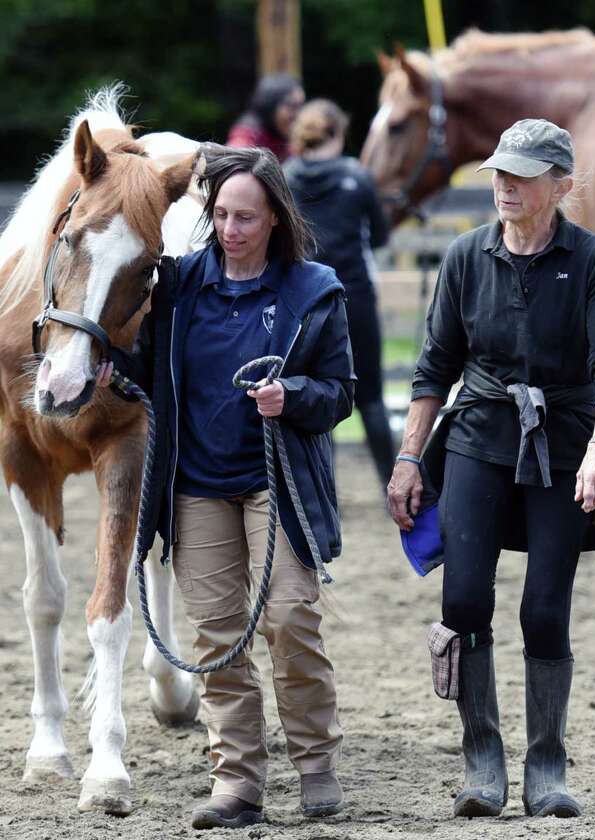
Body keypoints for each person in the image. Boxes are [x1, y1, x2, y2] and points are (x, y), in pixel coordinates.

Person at [385, 119, 595, 819]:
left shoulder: (592, 261)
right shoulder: (467, 256)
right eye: (499, 172)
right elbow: (434, 367)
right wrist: (410, 458)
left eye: (521, 175)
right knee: (463, 600)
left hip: (563, 445)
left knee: (543, 610)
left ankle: (547, 764)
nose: (504, 186)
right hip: (478, 437)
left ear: (560, 186)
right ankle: (482, 757)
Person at [102, 144, 353, 829]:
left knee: (291, 618)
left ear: (275, 218)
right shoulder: (179, 288)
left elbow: (341, 394)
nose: (232, 227)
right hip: (198, 485)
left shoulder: (314, 290)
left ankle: (315, 764)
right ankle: (237, 780)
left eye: (247, 216)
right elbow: (146, 370)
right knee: (218, 637)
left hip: (279, 483)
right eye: (222, 214)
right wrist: (115, 378)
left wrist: (293, 395)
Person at [284, 99, 394, 485]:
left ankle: (322, 484)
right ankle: (391, 482)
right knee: (372, 397)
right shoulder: (357, 177)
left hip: (305, 299)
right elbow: (379, 236)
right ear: (336, 134)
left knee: (316, 392)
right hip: (355, 297)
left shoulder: (285, 177)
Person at [226, 74, 305, 162]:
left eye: (301, 106)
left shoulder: (288, 138)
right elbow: (234, 159)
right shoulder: (248, 132)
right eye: (292, 106)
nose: (298, 114)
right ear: (271, 105)